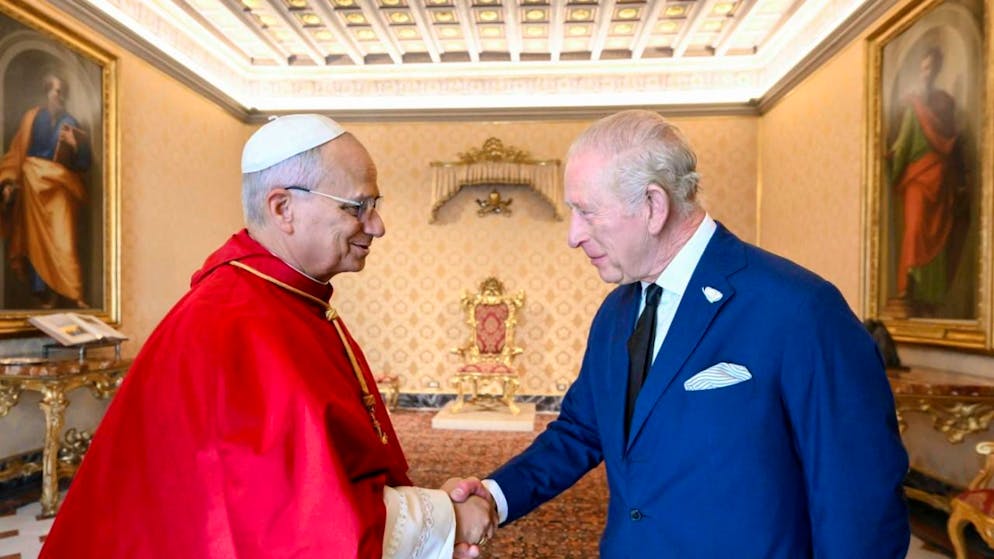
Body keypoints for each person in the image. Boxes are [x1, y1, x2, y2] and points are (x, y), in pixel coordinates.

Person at [452, 109, 910, 558]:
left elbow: (860, 501)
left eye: (587, 213)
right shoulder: (616, 312)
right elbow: (580, 431)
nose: (573, 235)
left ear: (653, 206)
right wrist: (494, 496)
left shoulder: (800, 308)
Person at [40, 114, 495, 558]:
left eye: (375, 206)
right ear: (283, 208)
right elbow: (301, 527)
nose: (376, 225)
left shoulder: (279, 299)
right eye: (358, 206)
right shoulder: (236, 321)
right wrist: (449, 519)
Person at [0, 72, 91, 309]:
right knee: (36, 241)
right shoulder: (31, 118)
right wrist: (8, 183)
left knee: (64, 242)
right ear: (47, 92)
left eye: (62, 92)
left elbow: (84, 163)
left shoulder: (71, 122)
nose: (58, 96)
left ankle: (73, 291)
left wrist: (74, 145)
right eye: (54, 91)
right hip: (32, 183)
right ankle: (42, 292)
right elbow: (15, 155)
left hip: (60, 186)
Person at [887, 46, 969, 311]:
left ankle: (928, 294)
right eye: (923, 67)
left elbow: (949, 139)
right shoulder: (915, 105)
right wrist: (894, 155)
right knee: (915, 231)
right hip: (919, 178)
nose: (927, 72)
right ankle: (909, 288)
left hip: (939, 175)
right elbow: (904, 142)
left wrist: (894, 156)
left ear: (937, 69)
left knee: (935, 235)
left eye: (931, 67)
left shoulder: (943, 102)